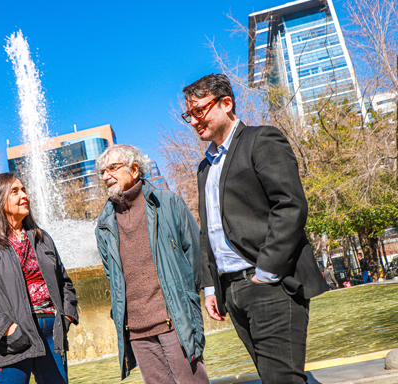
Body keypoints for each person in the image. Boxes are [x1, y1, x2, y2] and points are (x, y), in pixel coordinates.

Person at [183, 73, 328, 384]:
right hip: (232, 291)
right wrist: (210, 286)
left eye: (199, 111)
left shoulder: (262, 140)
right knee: (272, 378)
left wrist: (267, 271)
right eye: (189, 114)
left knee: (282, 379)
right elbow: (208, 228)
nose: (193, 121)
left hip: (269, 283)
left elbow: (290, 206)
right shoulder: (205, 166)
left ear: (226, 103)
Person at [95, 144, 210, 384]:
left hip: (173, 321)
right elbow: (111, 274)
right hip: (137, 332)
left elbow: (196, 254)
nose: (106, 176)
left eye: (112, 168)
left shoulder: (167, 202)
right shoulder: (104, 224)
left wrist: (186, 298)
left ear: (134, 169)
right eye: (102, 172)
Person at [0, 173, 78, 384]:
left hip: (52, 336)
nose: (24, 195)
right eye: (15, 191)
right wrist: (6, 330)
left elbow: (65, 283)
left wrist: (66, 317)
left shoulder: (43, 238)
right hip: (8, 342)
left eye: (24, 190)